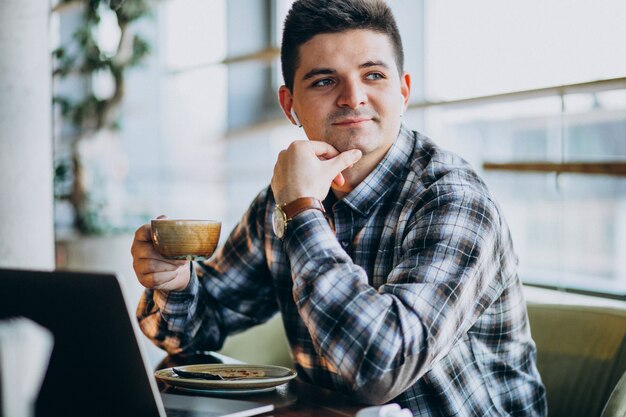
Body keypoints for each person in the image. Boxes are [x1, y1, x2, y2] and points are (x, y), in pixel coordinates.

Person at [131, 0, 547, 415]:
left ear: (403, 91)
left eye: (373, 75)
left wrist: (302, 212)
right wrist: (176, 282)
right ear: (289, 104)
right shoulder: (281, 202)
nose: (353, 97)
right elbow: (193, 330)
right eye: (324, 81)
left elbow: (379, 369)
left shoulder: (452, 197)